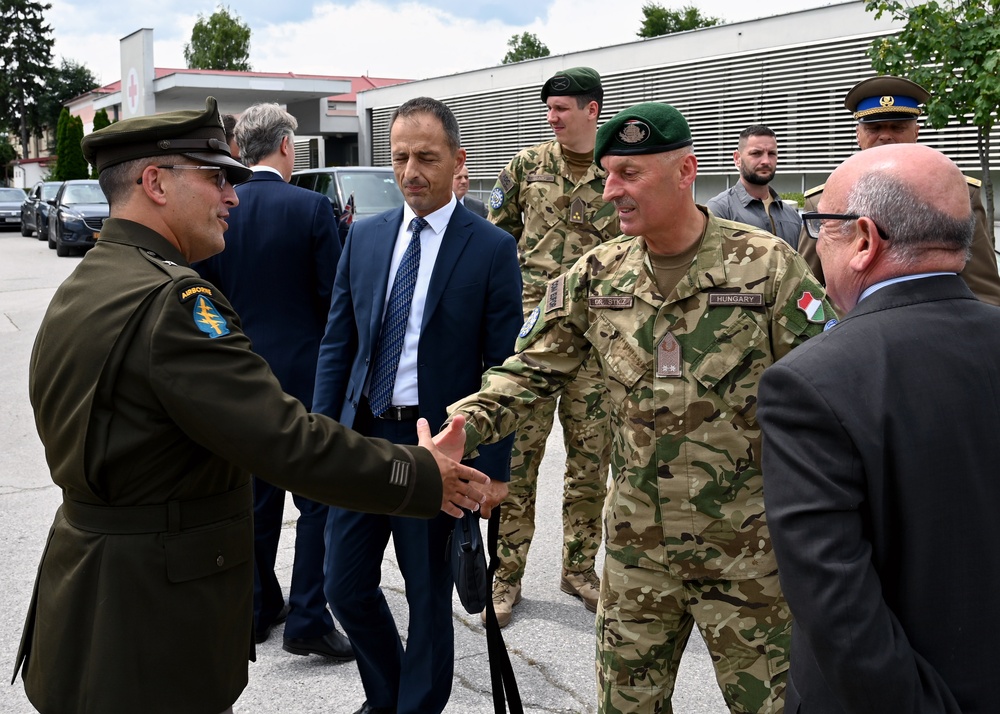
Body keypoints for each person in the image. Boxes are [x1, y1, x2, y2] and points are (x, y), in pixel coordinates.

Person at [16, 96, 489, 714]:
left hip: (87, 596)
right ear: (155, 183)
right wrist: (421, 473)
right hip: (152, 618)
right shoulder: (172, 304)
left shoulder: (91, 281)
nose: (232, 197)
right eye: (215, 179)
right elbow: (287, 441)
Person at [449, 102, 837, 713]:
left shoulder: (766, 267)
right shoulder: (595, 276)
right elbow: (528, 371)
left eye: (628, 173)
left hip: (748, 558)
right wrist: (461, 427)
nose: (610, 192)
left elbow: (833, 385)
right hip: (637, 560)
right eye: (606, 174)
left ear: (685, 171)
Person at [758, 143, 1000, 713]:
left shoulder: (810, 384)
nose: (815, 243)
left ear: (864, 240)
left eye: (822, 226)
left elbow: (842, 617)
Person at [313, 97, 523, 714]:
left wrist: (496, 473)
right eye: (400, 157)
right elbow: (337, 343)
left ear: (459, 159)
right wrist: (320, 438)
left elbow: (503, 369)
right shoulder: (367, 237)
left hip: (437, 449)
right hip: (364, 438)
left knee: (428, 599)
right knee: (344, 587)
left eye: (426, 158)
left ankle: (415, 707)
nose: (410, 172)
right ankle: (388, 696)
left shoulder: (488, 248)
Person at [194, 103, 351, 659]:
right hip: (305, 379)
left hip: (240, 378)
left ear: (241, 149)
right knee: (317, 502)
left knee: (254, 501)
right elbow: (336, 303)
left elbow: (203, 301)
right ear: (286, 146)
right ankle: (309, 613)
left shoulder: (220, 209)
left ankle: (258, 607)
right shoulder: (312, 208)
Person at [486, 66, 619, 626]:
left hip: (596, 338)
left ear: (592, 110)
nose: (552, 117)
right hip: (536, 336)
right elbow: (496, 235)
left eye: (562, 108)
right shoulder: (526, 166)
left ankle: (579, 569)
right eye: (548, 108)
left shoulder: (618, 169)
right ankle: (504, 577)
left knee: (591, 463)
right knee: (519, 460)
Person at [797, 75, 1000, 306]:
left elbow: (985, 290)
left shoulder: (956, 194)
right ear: (858, 135)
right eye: (874, 128)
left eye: (898, 127)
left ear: (916, 132)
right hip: (855, 336)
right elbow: (807, 291)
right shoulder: (823, 202)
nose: (885, 136)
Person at [706, 125, 801, 248]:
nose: (766, 161)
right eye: (756, 153)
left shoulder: (792, 216)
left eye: (772, 153)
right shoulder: (719, 212)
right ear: (737, 158)